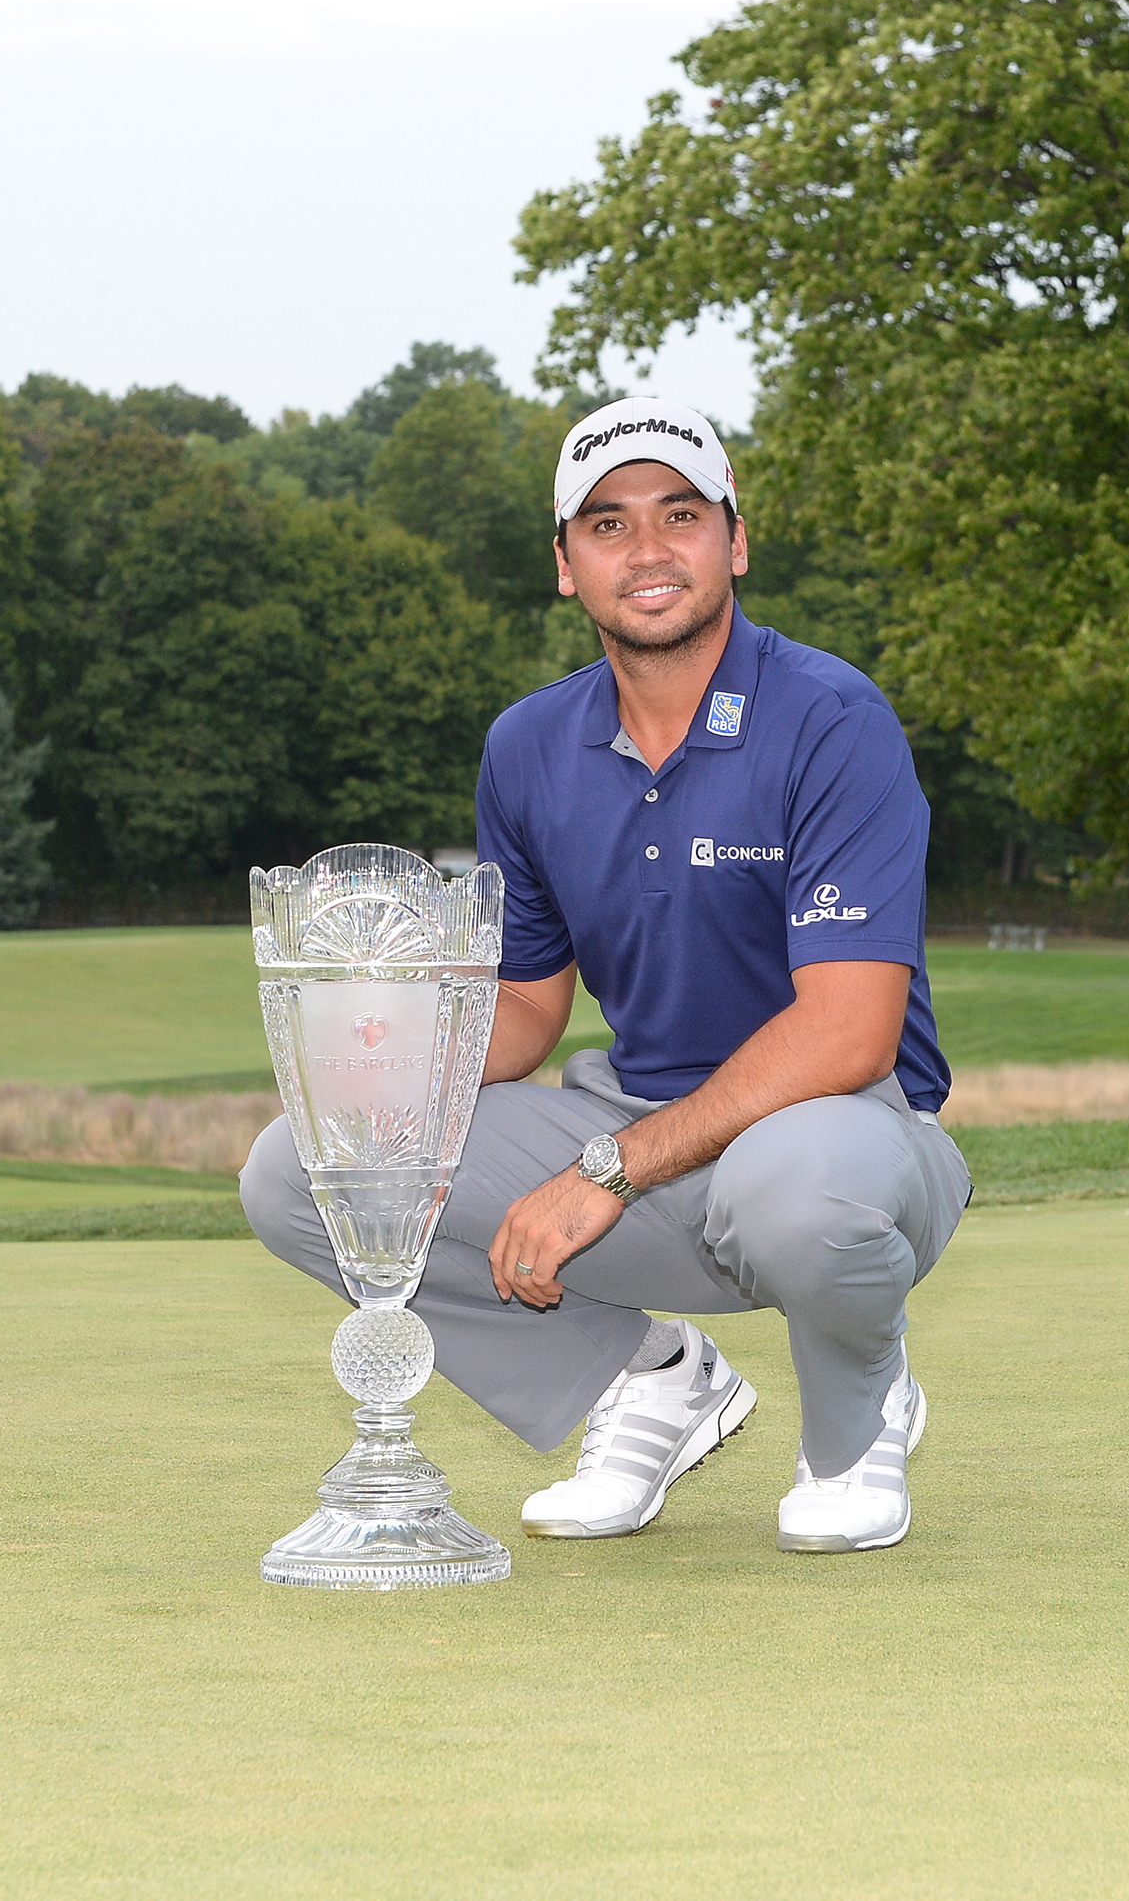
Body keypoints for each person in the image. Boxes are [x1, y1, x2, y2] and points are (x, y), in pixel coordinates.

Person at [241, 395, 970, 1554]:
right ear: (565, 567)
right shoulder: (527, 744)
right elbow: (531, 1000)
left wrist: (605, 1171)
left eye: (679, 516)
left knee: (796, 1181)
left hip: (848, 1138)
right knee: (304, 1170)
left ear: (734, 540)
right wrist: (385, 1080)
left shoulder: (831, 718)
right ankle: (650, 1379)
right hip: (640, 1136)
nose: (646, 551)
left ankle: (858, 1416)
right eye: (607, 524)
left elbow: (847, 1032)